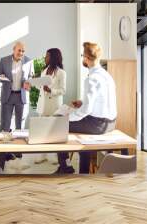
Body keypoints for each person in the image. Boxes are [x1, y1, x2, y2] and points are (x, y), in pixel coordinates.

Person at [55, 42, 117, 174]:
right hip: (111, 123)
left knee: (59, 124)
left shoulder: (91, 78)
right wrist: (82, 102)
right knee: (78, 126)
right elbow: (100, 100)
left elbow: (86, 111)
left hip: (98, 125)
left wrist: (66, 118)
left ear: (86, 58)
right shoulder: (107, 76)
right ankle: (83, 172)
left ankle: (65, 167)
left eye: (83, 55)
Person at [0, 42, 33, 170]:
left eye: (23, 51)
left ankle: (18, 153)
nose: (21, 53)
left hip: (20, 96)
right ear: (13, 50)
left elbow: (30, 77)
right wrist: (2, 78)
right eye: (19, 51)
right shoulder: (4, 60)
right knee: (5, 125)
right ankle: (3, 155)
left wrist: (29, 83)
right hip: (8, 95)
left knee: (19, 126)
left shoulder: (28, 61)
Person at [33, 48, 67, 164]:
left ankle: (55, 157)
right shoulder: (44, 71)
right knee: (42, 130)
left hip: (54, 105)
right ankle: (42, 155)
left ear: (53, 57)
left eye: (47, 56)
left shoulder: (61, 73)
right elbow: (40, 87)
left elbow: (63, 90)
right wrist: (36, 83)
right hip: (43, 104)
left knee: (53, 131)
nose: (45, 58)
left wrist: (51, 90)